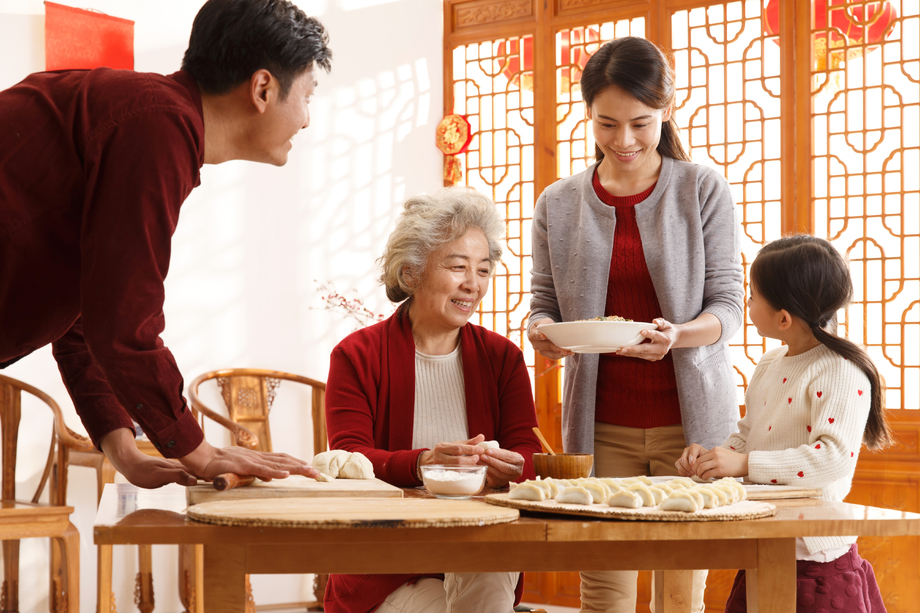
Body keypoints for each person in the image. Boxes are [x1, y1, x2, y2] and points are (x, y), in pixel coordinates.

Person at [0, 0, 332, 489]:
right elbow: (123, 324)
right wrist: (197, 452)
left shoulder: (151, 116)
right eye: (308, 95)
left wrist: (125, 451)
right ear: (263, 88)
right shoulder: (156, 124)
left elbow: (91, 312)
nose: (306, 120)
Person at [527, 36, 744, 612]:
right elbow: (543, 301)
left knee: (679, 594)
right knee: (605, 593)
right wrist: (541, 330)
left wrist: (676, 336)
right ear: (588, 114)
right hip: (601, 424)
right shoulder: (558, 202)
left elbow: (728, 307)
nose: (623, 140)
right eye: (606, 123)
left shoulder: (701, 188)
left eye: (640, 123)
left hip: (690, 425)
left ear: (666, 109)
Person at [324, 186, 542, 613]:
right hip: (387, 567)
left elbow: (530, 453)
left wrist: (513, 467)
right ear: (411, 274)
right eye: (458, 267)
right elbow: (349, 461)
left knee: (493, 560)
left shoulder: (503, 358)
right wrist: (423, 463)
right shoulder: (356, 355)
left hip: (478, 549)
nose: (473, 284)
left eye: (483, 269)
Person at [676, 235, 891, 612]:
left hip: (815, 559)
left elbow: (832, 459)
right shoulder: (770, 364)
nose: (747, 303)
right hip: (764, 541)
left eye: (753, 295)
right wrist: (714, 459)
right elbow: (748, 436)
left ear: (783, 318)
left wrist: (744, 465)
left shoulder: (841, 370)